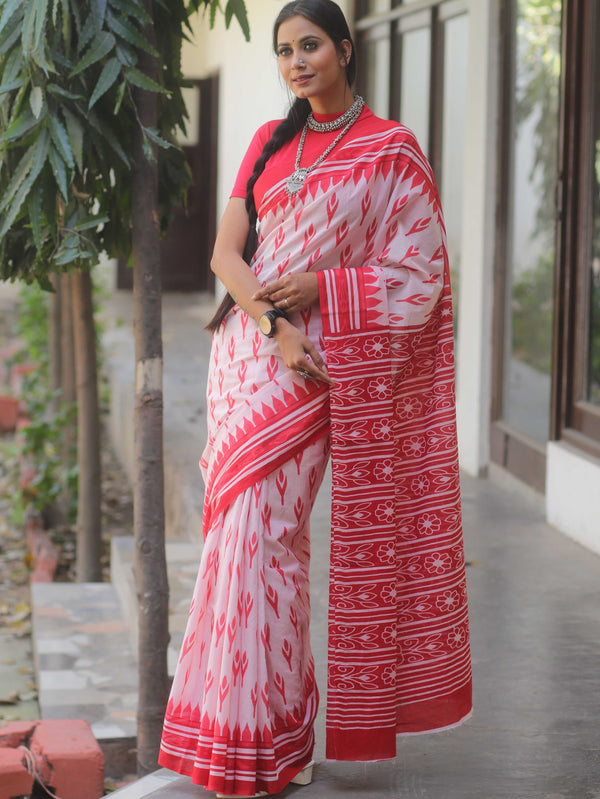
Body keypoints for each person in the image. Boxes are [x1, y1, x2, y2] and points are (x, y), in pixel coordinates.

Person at [158, 1, 472, 795]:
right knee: (241, 537)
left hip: (322, 366)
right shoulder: (270, 142)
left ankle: (270, 737)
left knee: (271, 539)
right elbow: (228, 255)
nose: (296, 62)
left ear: (344, 48)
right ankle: (237, 737)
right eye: (284, 51)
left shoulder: (392, 150)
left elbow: (419, 274)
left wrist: (326, 289)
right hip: (254, 355)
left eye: (310, 46)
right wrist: (275, 326)